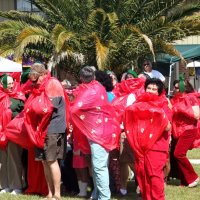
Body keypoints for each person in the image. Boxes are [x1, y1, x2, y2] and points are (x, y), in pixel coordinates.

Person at [70, 66, 120, 200]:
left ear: (81, 79)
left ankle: (104, 197)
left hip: (99, 133)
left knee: (99, 167)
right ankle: (97, 194)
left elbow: (75, 109)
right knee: (97, 166)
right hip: (100, 131)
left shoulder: (91, 90)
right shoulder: (97, 87)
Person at [124, 78, 171, 200]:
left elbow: (167, 127)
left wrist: (156, 112)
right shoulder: (139, 104)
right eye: (149, 88)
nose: (151, 91)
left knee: (154, 177)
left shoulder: (164, 105)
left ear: (159, 92)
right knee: (143, 176)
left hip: (157, 147)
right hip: (141, 148)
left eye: (154, 89)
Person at [25, 63, 67, 200]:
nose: (35, 81)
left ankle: (57, 194)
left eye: (36, 78)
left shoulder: (52, 83)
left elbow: (48, 108)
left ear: (43, 74)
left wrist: (33, 107)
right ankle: (49, 193)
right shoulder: (39, 86)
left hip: (53, 128)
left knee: (51, 160)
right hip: (42, 129)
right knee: (44, 161)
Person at [171, 76, 199, 187]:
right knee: (176, 154)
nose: (174, 89)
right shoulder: (175, 99)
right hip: (178, 131)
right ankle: (184, 180)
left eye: (177, 88)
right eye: (174, 87)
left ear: (184, 88)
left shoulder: (190, 98)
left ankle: (193, 177)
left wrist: (180, 108)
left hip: (189, 130)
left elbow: (197, 115)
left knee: (179, 154)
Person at [0, 74, 26, 195]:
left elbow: (24, 113)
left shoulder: (19, 97)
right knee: (3, 159)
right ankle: (4, 185)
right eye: (8, 84)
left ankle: (17, 186)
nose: (10, 86)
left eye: (12, 83)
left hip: (14, 133)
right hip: (1, 133)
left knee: (14, 158)